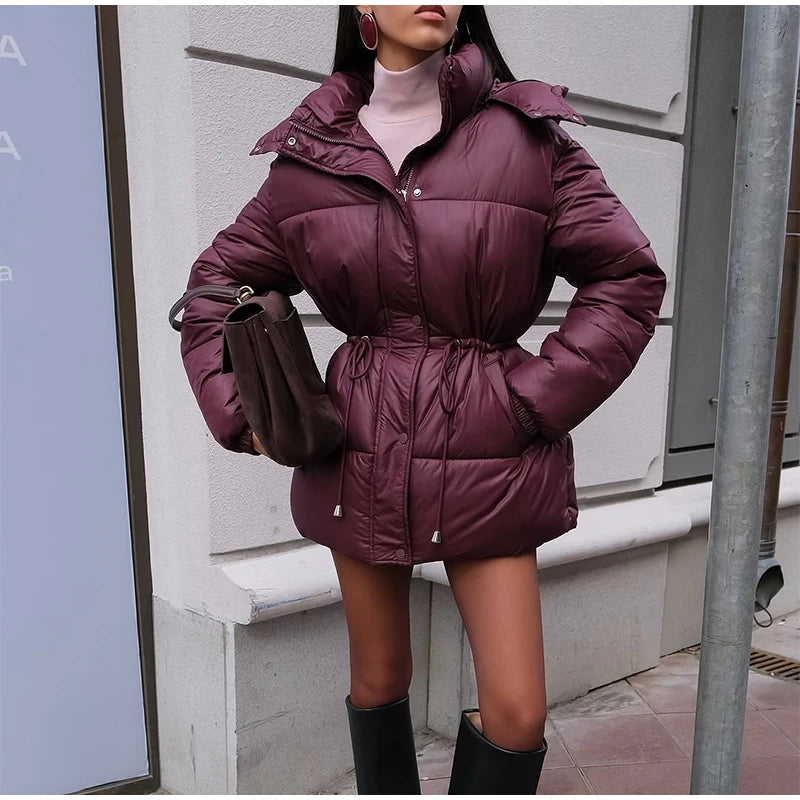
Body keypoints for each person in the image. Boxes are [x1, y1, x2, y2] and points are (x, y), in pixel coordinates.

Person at [177, 4, 667, 794]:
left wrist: (532, 402)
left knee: (516, 713)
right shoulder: (312, 155)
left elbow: (627, 277)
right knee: (378, 679)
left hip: (489, 450)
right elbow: (214, 285)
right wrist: (245, 417)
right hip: (359, 450)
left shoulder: (527, 139)